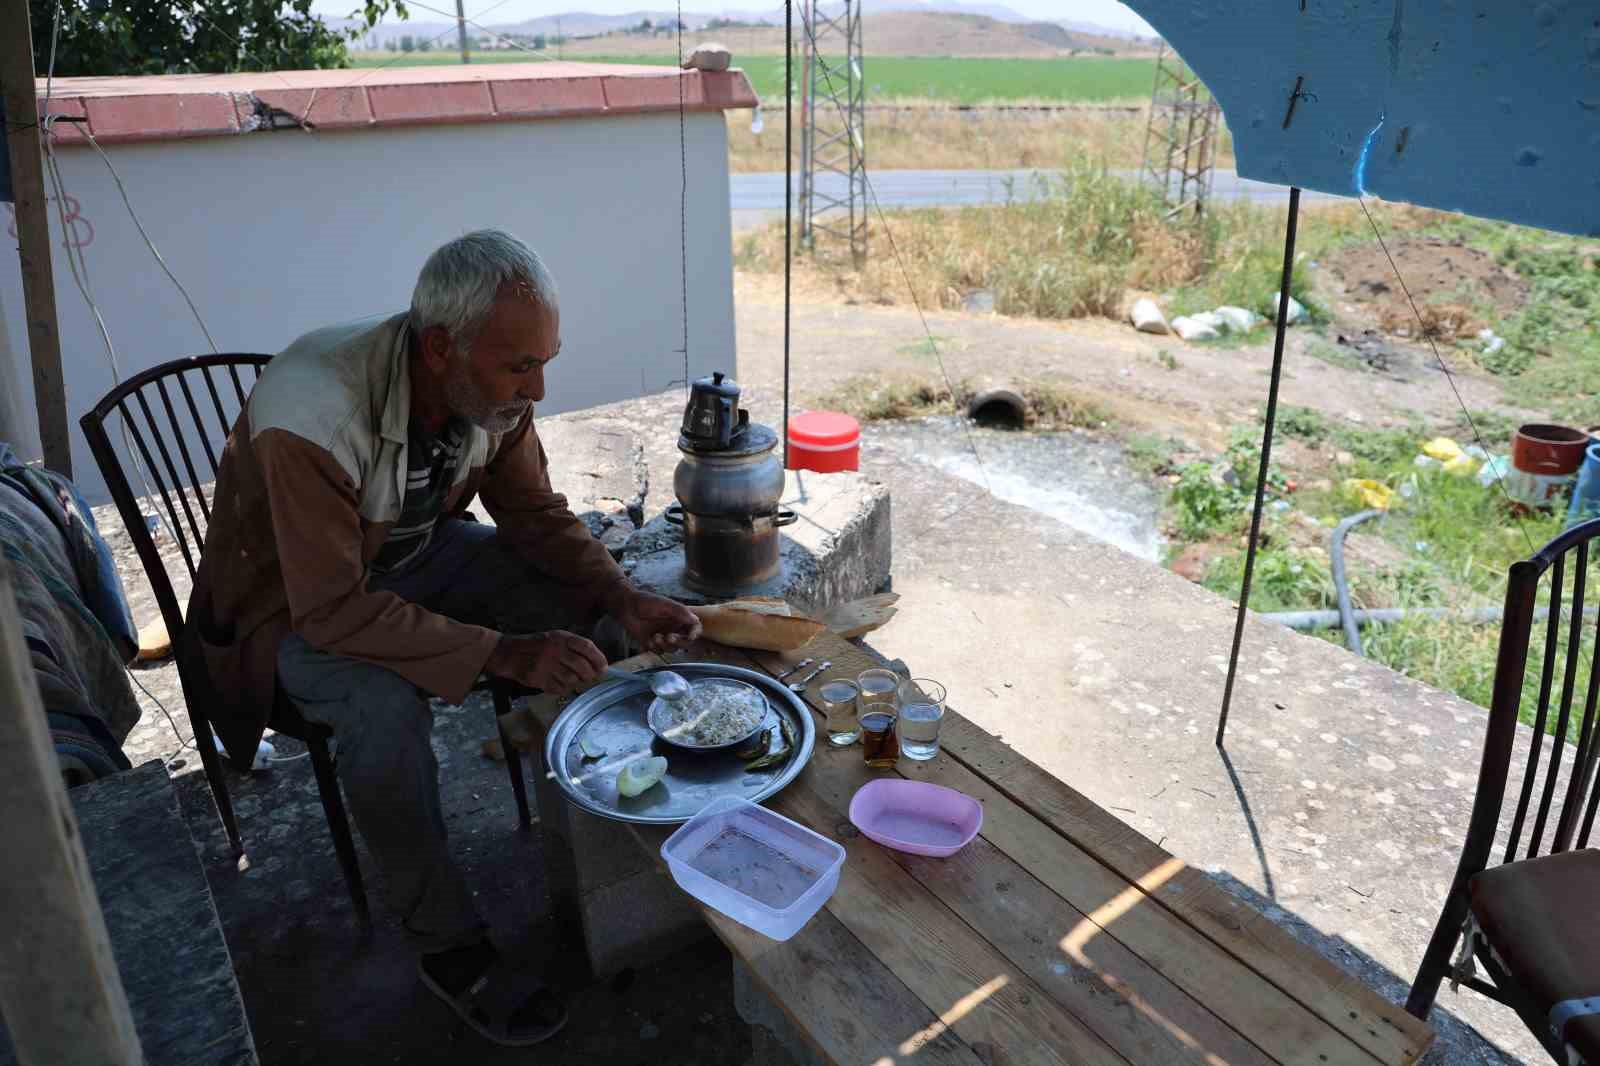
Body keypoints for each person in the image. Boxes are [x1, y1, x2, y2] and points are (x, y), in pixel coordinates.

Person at [189, 229, 702, 1046]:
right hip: (288, 610)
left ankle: (657, 820)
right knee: (381, 709)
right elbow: (331, 610)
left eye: (545, 361)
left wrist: (621, 592)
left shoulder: (486, 394)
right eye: (518, 366)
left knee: (576, 595)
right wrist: (501, 651)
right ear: (440, 347)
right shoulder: (311, 415)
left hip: (414, 554)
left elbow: (533, 516)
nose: (536, 388)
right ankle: (447, 942)